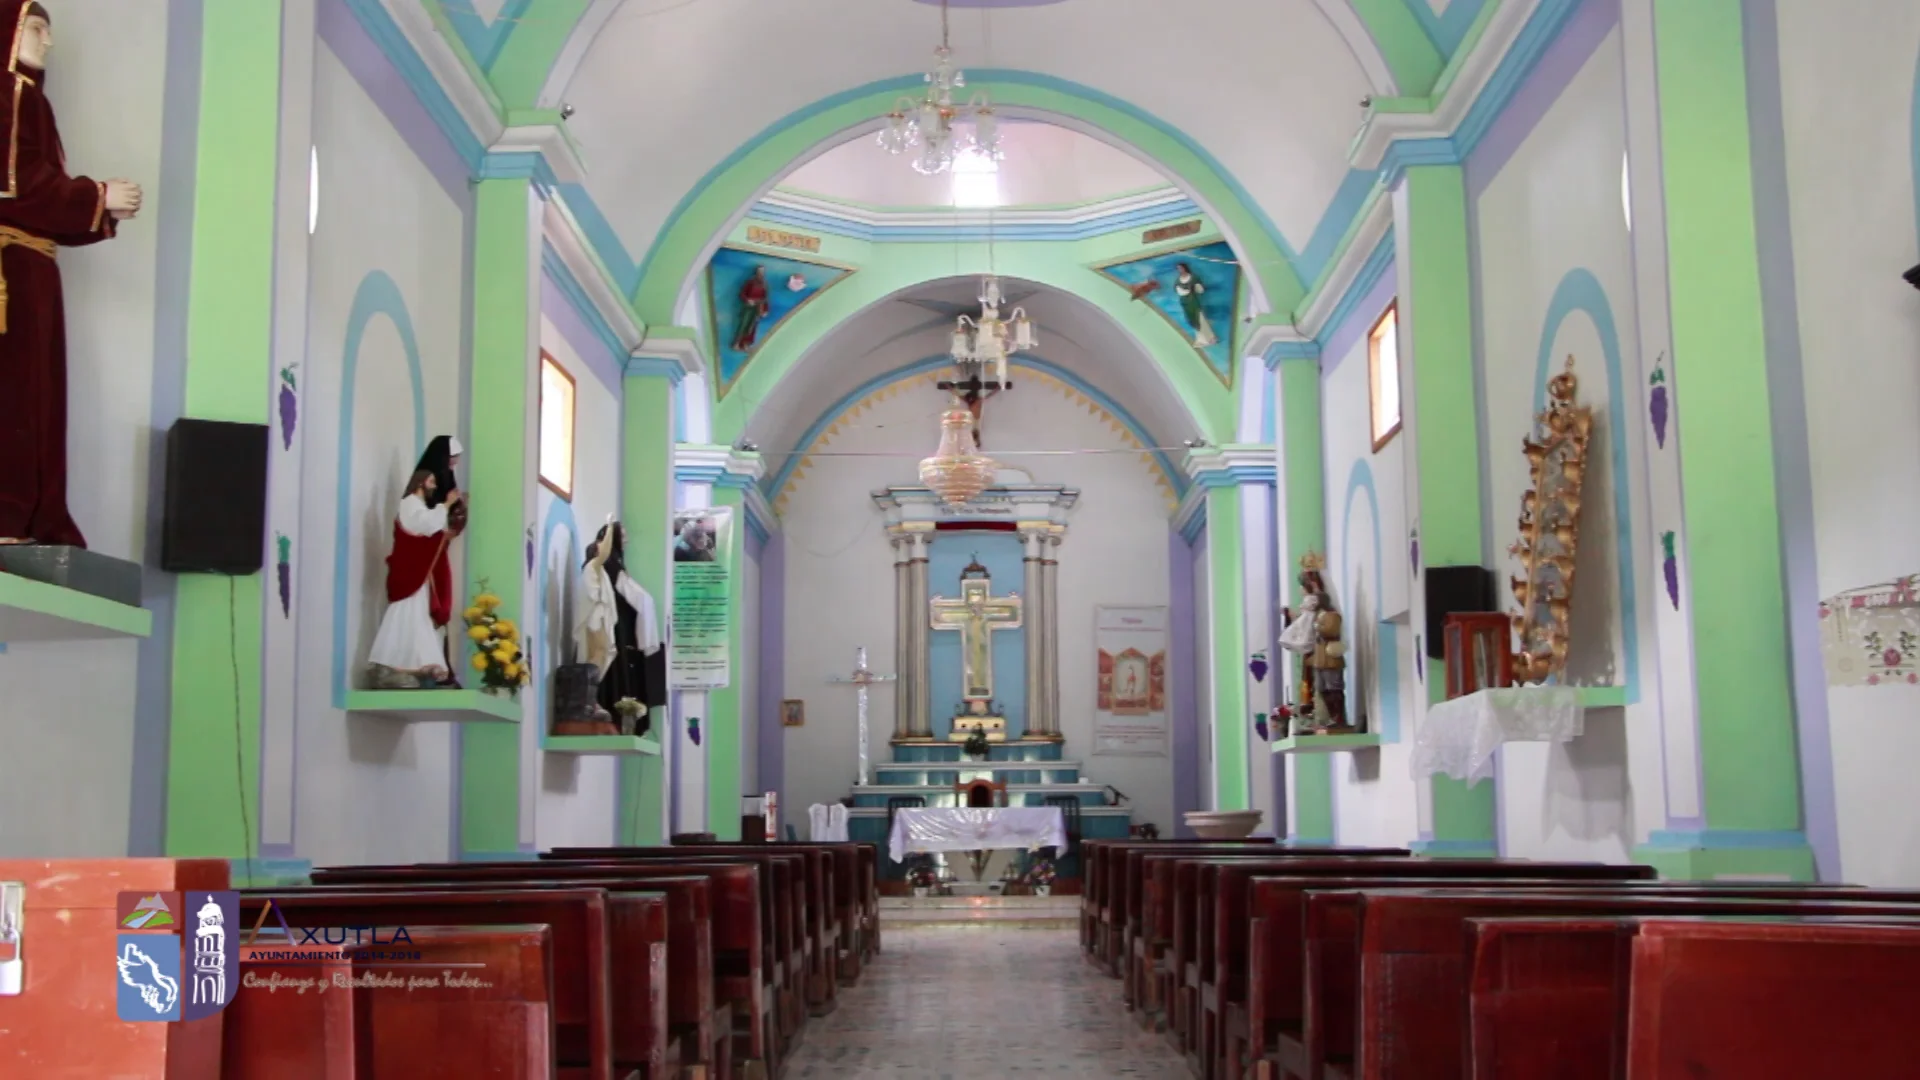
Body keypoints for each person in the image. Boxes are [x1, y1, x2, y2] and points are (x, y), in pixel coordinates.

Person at [0, 1, 143, 547]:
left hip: (34, 267)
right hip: (10, 269)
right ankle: (10, 513)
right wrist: (96, 194)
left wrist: (100, 212)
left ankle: (36, 515)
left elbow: (39, 201)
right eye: (36, 28)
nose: (47, 42)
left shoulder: (33, 102)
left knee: (41, 397)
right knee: (16, 394)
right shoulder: (8, 96)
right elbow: (19, 189)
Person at [366, 469, 462, 688]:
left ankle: (411, 664)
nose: (434, 486)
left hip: (418, 572)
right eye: (431, 481)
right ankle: (388, 662)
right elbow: (426, 525)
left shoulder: (417, 505)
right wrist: (446, 505)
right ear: (419, 483)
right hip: (409, 573)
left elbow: (433, 528)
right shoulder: (409, 503)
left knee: (417, 616)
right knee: (404, 614)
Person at [579, 522, 664, 732]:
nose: (626, 541)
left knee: (601, 657)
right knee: (599, 657)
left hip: (607, 619)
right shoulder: (602, 564)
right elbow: (634, 595)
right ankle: (591, 703)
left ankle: (593, 703)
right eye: (622, 536)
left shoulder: (606, 565)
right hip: (602, 620)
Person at [1173, 262, 1218, 349]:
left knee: (1200, 318)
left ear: (1185, 268)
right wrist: (1186, 291)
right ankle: (1201, 340)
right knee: (1192, 319)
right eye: (1178, 268)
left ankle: (1210, 338)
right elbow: (1178, 290)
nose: (1180, 270)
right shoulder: (1178, 280)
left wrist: (1194, 288)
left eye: (1181, 268)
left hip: (1194, 301)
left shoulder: (1193, 277)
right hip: (1185, 303)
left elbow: (1200, 289)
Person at [731, 266, 771, 351]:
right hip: (748, 307)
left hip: (758, 308)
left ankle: (746, 344)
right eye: (759, 272)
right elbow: (742, 294)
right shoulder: (750, 282)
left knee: (752, 327)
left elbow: (766, 298)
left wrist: (765, 310)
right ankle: (736, 343)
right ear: (756, 273)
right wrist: (748, 300)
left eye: (762, 272)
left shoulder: (765, 284)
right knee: (743, 325)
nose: (760, 274)